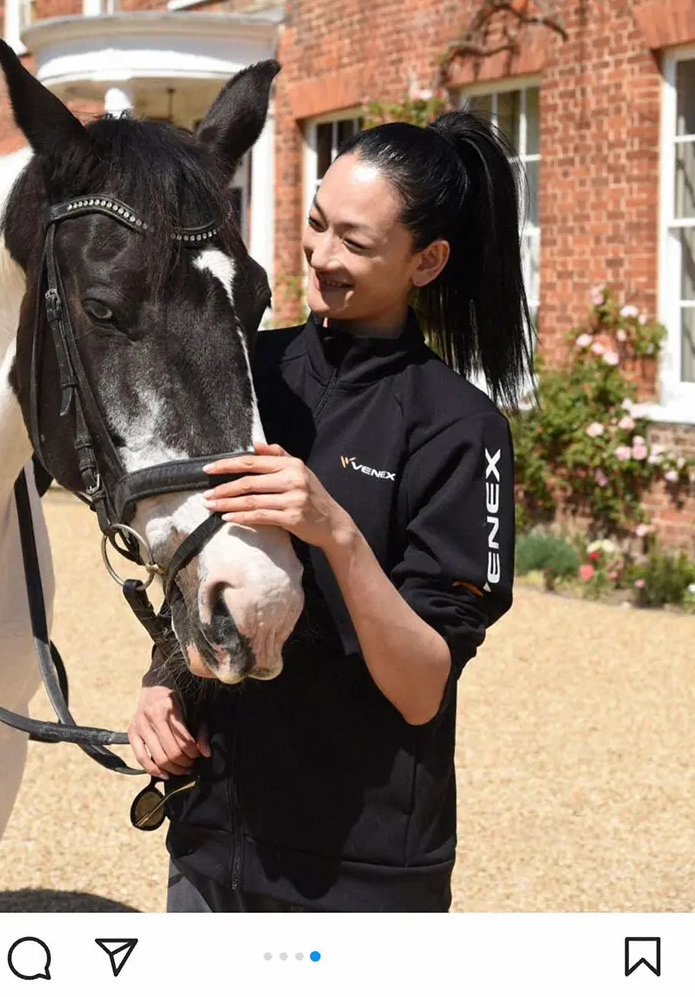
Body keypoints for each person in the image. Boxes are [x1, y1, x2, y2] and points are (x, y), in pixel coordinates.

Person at [127, 110, 534, 912]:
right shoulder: (248, 370)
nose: (320, 254)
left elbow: (422, 687)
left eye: (354, 241)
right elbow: (196, 558)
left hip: (359, 879)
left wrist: (337, 533)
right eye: (317, 224)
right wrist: (161, 683)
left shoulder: (460, 428)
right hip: (210, 852)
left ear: (427, 261)